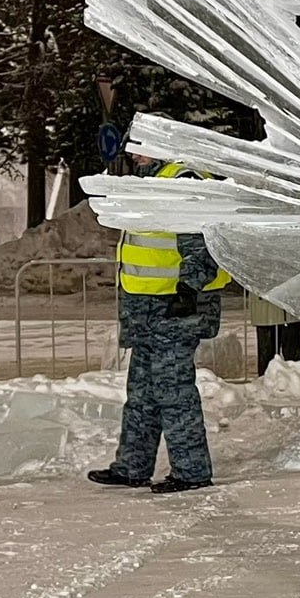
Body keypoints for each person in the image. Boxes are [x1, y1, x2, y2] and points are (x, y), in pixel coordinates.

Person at [87, 153, 225, 493]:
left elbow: (200, 240)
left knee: (173, 391)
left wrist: (189, 288)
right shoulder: (152, 179)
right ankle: (132, 466)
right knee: (144, 391)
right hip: (148, 306)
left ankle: (191, 472)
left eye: (140, 146)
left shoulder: (182, 178)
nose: (133, 154)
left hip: (175, 305)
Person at [246, 291, 300, 374]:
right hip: (268, 307)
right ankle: (268, 382)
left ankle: (295, 381)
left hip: (285, 307)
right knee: (269, 354)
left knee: (290, 354)